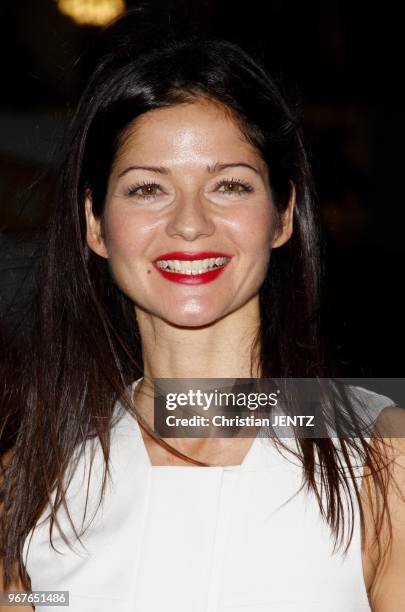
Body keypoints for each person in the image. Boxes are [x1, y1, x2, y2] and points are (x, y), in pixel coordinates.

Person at [1, 7, 405, 612]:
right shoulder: (29, 483)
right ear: (95, 224)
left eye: (230, 185)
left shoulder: (382, 459)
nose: (190, 223)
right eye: (147, 188)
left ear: (283, 215)